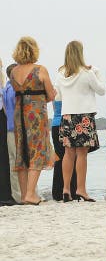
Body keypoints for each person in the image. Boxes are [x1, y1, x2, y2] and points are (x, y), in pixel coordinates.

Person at [56, 40, 105, 202]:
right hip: (83, 115)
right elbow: (101, 90)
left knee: (68, 154)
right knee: (82, 155)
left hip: (67, 116)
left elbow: (59, 95)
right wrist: (93, 71)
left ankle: (65, 189)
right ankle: (81, 189)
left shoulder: (60, 73)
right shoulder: (86, 72)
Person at [10, 37, 57, 205]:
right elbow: (51, 95)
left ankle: (24, 195)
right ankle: (31, 193)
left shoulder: (13, 72)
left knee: (22, 152)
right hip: (35, 114)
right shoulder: (40, 70)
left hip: (19, 114)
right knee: (37, 150)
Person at [51, 91, 78, 202]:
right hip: (67, 123)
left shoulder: (55, 88)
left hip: (55, 124)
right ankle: (72, 190)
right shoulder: (70, 87)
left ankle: (57, 192)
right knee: (71, 157)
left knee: (59, 158)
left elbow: (54, 108)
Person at [2, 63, 22, 203]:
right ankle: (20, 195)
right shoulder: (13, 89)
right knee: (17, 162)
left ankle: (19, 194)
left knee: (14, 161)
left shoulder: (6, 89)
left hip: (10, 128)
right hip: (16, 128)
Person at [0, 61, 16, 205]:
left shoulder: (5, 87)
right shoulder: (10, 88)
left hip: (7, 123)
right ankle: (10, 194)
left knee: (8, 158)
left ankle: (10, 193)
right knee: (9, 158)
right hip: (9, 123)